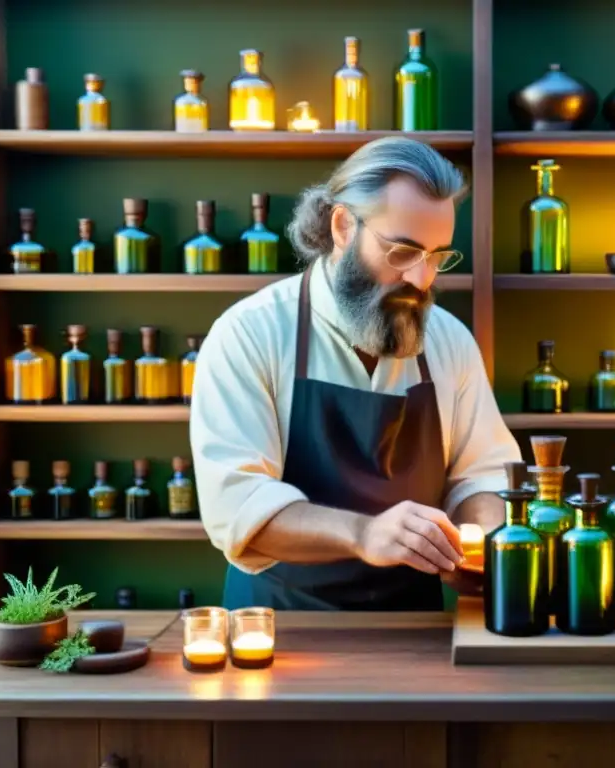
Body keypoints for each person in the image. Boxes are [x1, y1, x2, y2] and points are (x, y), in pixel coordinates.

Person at [189, 137, 521, 611]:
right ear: (343, 226)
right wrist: (365, 533)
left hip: (415, 628)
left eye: (437, 256)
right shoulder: (249, 334)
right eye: (403, 251)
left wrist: (481, 539)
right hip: (280, 631)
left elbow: (482, 475)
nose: (421, 279)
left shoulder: (449, 341)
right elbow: (237, 507)